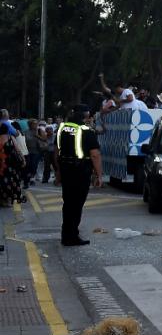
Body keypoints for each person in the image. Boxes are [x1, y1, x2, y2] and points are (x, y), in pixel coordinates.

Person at [54, 105, 102, 246]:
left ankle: (66, 234)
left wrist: (58, 171)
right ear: (85, 117)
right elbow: (95, 155)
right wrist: (99, 175)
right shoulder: (87, 131)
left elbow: (56, 151)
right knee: (77, 204)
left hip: (65, 169)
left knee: (68, 203)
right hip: (80, 171)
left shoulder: (61, 129)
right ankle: (72, 236)